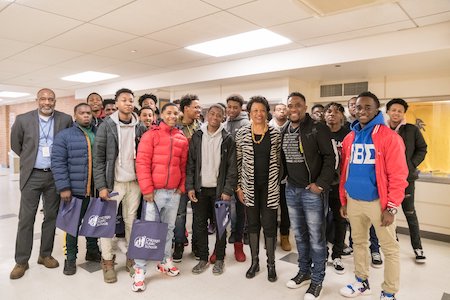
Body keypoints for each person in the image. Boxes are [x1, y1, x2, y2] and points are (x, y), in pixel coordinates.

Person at [339, 92, 408, 300]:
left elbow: (398, 174)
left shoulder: (389, 137)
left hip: (379, 203)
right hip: (354, 200)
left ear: (377, 109)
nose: (362, 111)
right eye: (359, 107)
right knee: (358, 243)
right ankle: (362, 282)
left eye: (368, 107)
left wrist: (392, 206)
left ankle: (389, 292)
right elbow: (345, 171)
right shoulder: (350, 137)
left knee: (390, 249)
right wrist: (344, 200)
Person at [9, 88, 72, 279]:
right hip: (32, 176)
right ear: (37, 100)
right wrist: (30, 160)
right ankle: (21, 261)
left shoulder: (65, 119)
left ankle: (45, 255)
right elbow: (16, 145)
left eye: (50, 99)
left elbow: (68, 144)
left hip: (55, 176)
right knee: (26, 219)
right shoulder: (23, 120)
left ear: (55, 100)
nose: (47, 102)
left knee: (51, 217)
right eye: (43, 99)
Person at [282, 92, 335, 300]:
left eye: (297, 105)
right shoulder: (285, 129)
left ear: (304, 107)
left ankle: (317, 280)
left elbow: (330, 158)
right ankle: (303, 271)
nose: (293, 108)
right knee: (300, 235)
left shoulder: (317, 128)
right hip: (292, 189)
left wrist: (320, 185)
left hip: (311, 191)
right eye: (290, 105)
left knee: (316, 238)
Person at [133, 103, 188, 292]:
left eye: (175, 113)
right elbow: (142, 163)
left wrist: (181, 187)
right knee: (148, 231)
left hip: (173, 193)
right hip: (154, 193)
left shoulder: (181, 138)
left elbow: (183, 166)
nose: (172, 116)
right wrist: (147, 189)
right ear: (161, 114)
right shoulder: (151, 135)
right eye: (168, 112)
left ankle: (165, 261)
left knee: (169, 229)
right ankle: (139, 270)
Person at [93, 88, 146, 283]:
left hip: (134, 183)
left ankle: (131, 259)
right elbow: (98, 159)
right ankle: (107, 261)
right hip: (113, 183)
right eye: (124, 100)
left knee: (132, 221)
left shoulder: (140, 126)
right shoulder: (106, 126)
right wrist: (101, 186)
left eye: (131, 100)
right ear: (116, 104)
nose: (128, 103)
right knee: (106, 224)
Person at [186, 104, 237, 275]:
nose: (215, 117)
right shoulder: (197, 136)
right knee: (199, 226)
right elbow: (191, 163)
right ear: (207, 115)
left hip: (220, 191)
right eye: (212, 114)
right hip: (200, 190)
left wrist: (228, 189)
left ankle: (220, 258)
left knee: (221, 226)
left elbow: (232, 168)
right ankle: (203, 258)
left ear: (223, 118)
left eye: (219, 115)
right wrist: (190, 186)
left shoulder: (228, 138)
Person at [51, 103, 101, 275]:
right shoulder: (64, 136)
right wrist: (64, 187)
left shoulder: (97, 133)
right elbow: (58, 163)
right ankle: (70, 259)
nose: (86, 116)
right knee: (72, 227)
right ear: (75, 115)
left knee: (93, 223)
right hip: (75, 190)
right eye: (82, 113)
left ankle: (92, 252)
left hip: (95, 189)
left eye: (88, 113)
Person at [235, 96, 281, 283]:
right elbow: (237, 162)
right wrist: (238, 187)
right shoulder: (242, 133)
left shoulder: (276, 133)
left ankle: (271, 264)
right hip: (249, 187)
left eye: (262, 110)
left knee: (270, 225)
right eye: (255, 110)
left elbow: (279, 161)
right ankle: (255, 262)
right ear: (250, 113)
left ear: (267, 112)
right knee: (252, 225)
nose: (259, 114)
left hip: (270, 187)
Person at [386, 98, 428, 263]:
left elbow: (422, 149)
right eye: (393, 110)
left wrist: (410, 165)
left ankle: (418, 248)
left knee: (410, 213)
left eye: (400, 111)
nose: (396, 113)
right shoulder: (381, 129)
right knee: (389, 213)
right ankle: (392, 243)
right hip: (387, 180)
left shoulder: (411, 130)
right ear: (388, 112)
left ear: (404, 113)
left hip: (406, 179)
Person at [173, 94, 202, 262]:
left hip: (198, 177)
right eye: (195, 107)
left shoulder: (201, 127)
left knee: (199, 214)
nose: (199, 110)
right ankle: (178, 244)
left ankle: (197, 244)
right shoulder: (175, 128)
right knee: (180, 214)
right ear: (185, 109)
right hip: (180, 177)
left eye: (199, 107)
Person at [323, 102, 350, 274]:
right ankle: (322, 253)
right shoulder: (319, 133)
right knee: (320, 221)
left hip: (342, 186)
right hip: (323, 185)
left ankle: (337, 255)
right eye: (328, 111)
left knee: (340, 221)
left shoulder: (349, 135)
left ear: (342, 116)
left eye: (336, 111)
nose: (331, 114)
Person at [222, 93, 249, 263]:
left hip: (241, 175)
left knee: (239, 210)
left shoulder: (246, 124)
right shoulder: (223, 125)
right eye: (229, 107)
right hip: (225, 176)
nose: (231, 110)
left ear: (241, 108)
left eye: (235, 107)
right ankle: (224, 242)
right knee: (226, 210)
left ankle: (239, 239)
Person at [268, 103, 291, 251]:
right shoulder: (267, 127)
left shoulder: (293, 127)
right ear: (274, 112)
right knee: (269, 208)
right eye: (279, 109)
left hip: (287, 177)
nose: (282, 112)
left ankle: (284, 236)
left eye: (284, 109)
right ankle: (270, 236)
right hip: (269, 176)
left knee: (285, 209)